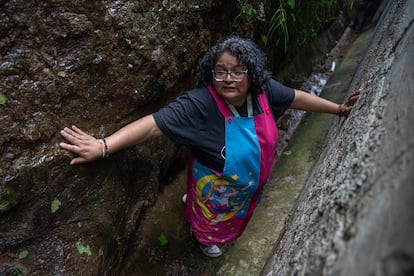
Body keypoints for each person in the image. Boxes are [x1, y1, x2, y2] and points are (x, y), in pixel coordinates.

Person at [59, 35, 360, 258]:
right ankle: (202, 237)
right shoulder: (202, 104)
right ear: (211, 73)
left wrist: (336, 109)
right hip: (215, 187)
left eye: (237, 71)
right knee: (208, 221)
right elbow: (153, 123)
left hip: (248, 186)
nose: (229, 79)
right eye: (221, 71)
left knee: (233, 211)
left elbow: (296, 97)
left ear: (251, 72)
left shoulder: (265, 91)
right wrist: (104, 146)